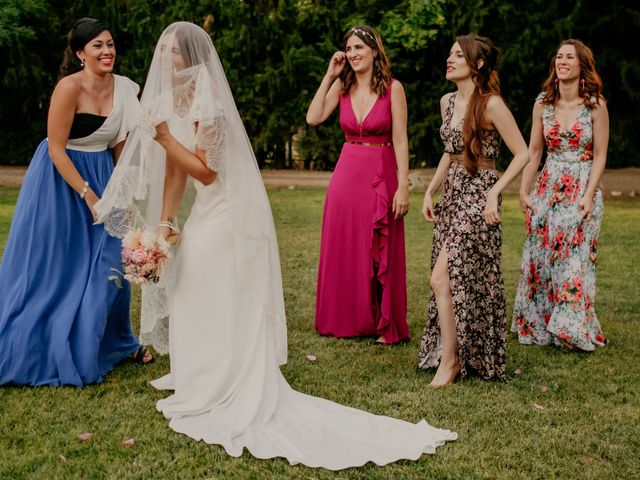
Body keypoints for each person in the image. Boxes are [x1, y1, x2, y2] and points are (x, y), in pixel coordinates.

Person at [96, 22, 456, 470]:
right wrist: (167, 224)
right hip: (202, 211)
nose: (163, 57)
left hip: (225, 210)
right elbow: (174, 172)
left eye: (171, 50)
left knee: (206, 280)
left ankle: (226, 378)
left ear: (188, 58)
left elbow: (207, 173)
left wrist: (168, 137)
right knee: (188, 283)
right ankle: (197, 375)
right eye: (162, 49)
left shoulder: (208, 102)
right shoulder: (170, 103)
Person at [0, 18, 151, 387]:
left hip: (104, 174)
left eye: (110, 44)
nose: (107, 51)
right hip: (61, 180)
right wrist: (90, 197)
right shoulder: (68, 88)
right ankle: (37, 341)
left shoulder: (126, 89)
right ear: (81, 53)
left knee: (113, 261)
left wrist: (122, 192)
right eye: (97, 45)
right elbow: (55, 148)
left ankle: (118, 342)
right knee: (55, 267)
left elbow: (120, 145)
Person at [417, 34, 530, 386]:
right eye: (449, 54)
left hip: (479, 194)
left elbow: (523, 153)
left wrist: (495, 192)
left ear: (477, 64)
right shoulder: (447, 102)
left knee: (441, 277)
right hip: (453, 193)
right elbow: (450, 153)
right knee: (454, 279)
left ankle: (450, 362)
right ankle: (457, 354)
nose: (449, 59)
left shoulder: (491, 104)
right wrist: (430, 190)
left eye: (457, 55)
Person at [306, 25, 410, 344]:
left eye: (358, 48)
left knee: (379, 248)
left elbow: (401, 140)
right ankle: (346, 317)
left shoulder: (393, 89)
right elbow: (313, 117)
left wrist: (403, 186)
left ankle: (383, 322)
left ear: (374, 51)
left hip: (381, 172)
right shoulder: (342, 86)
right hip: (346, 174)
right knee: (346, 245)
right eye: (349, 49)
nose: (352, 54)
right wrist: (329, 75)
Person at [511, 39, 608, 350]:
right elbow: (535, 150)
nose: (562, 61)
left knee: (574, 257)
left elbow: (600, 155)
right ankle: (540, 323)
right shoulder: (542, 103)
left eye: (570, 57)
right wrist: (524, 190)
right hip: (548, 185)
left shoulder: (595, 105)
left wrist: (589, 195)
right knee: (540, 256)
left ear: (582, 65)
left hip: (581, 184)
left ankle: (571, 329)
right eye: (559, 56)